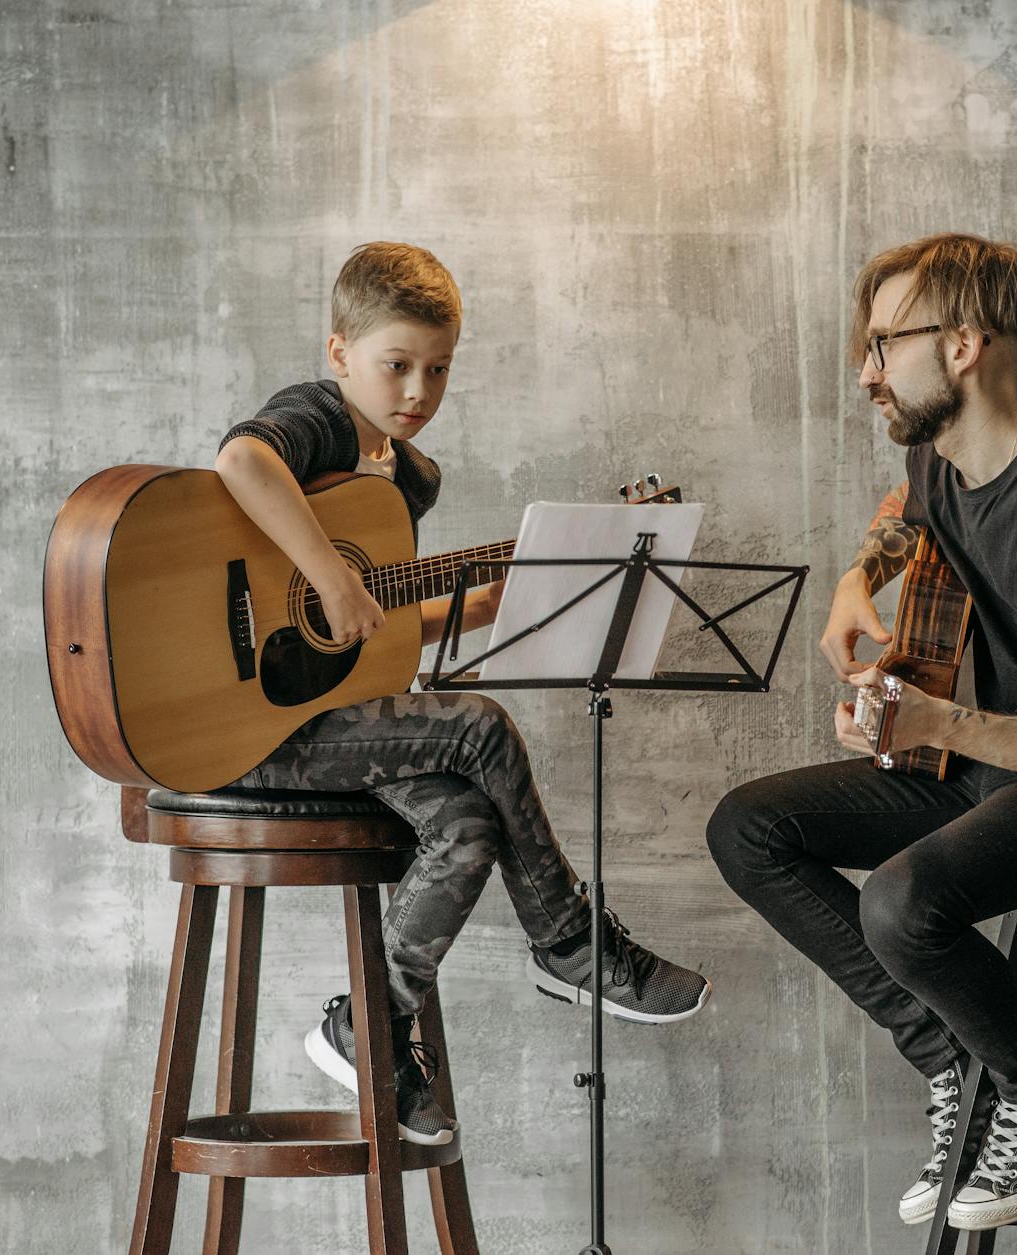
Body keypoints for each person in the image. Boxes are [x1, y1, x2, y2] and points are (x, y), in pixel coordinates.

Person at [706, 233, 1017, 1231]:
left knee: (901, 902)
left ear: (960, 345)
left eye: (880, 345)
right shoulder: (938, 453)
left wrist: (934, 718)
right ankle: (958, 1057)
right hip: (1000, 768)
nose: (863, 372)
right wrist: (862, 577)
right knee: (748, 827)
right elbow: (908, 505)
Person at [216, 241, 710, 1148]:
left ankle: (369, 1022)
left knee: (469, 827)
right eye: (394, 364)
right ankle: (569, 942)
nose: (416, 391)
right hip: (252, 728)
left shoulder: (412, 479)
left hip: (339, 724)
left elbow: (386, 624)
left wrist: (509, 597)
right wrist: (327, 576)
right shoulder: (316, 419)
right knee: (480, 725)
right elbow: (242, 464)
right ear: (339, 355)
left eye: (436, 369)